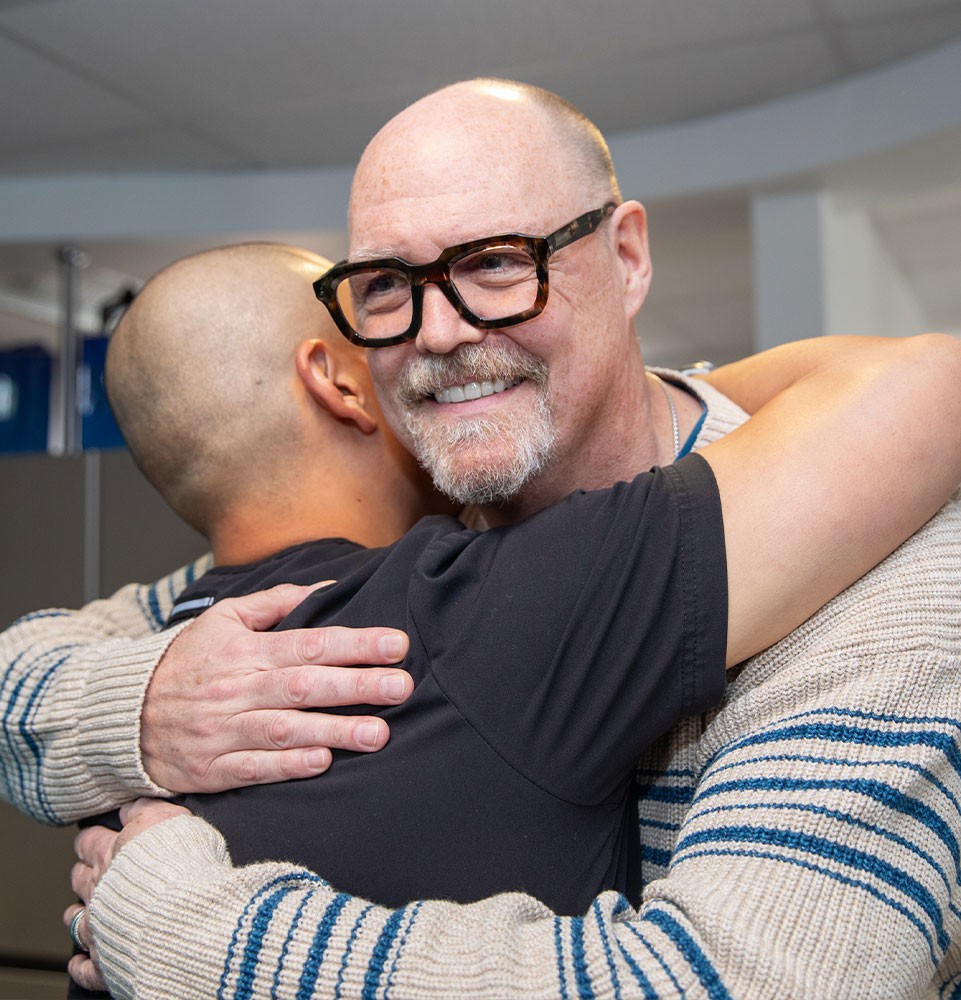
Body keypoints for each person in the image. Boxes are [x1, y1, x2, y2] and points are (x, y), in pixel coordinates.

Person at [0, 76, 956, 996]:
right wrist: (144, 706)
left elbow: (734, 982)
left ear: (625, 258)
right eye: (385, 286)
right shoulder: (415, 527)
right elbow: (28, 668)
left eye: (496, 262)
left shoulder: (885, 567)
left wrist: (186, 933)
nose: (441, 332)